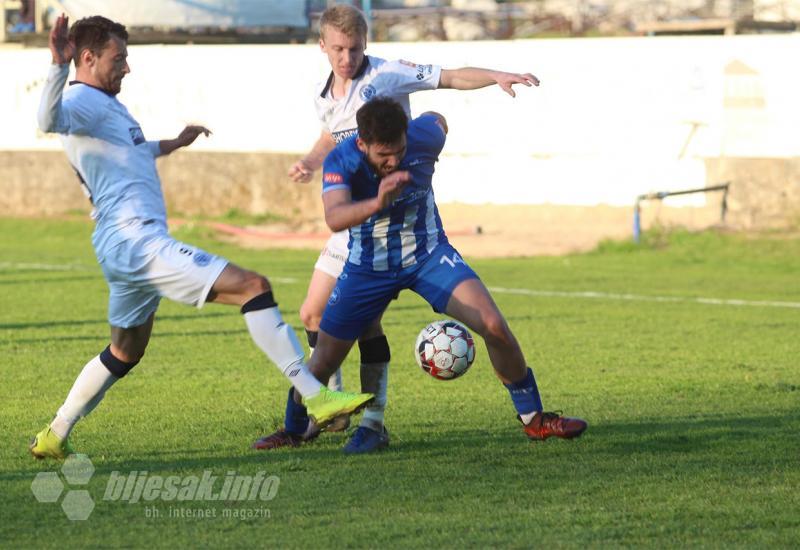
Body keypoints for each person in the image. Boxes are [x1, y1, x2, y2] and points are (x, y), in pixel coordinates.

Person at [29, 14, 374, 459]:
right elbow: (47, 118)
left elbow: (129, 152)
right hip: (138, 242)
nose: (127, 67)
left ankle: (55, 433)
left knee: (125, 350)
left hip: (121, 246)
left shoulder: (105, 105)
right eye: (120, 58)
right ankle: (318, 397)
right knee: (253, 287)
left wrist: (170, 144)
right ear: (88, 58)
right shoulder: (78, 100)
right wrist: (57, 65)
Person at [261, 3, 541, 454]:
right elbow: (333, 141)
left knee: (377, 327)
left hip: (412, 231)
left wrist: (496, 76)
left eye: (353, 49)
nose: (346, 58)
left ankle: (371, 422)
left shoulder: (387, 75)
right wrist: (311, 163)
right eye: (338, 49)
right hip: (359, 227)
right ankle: (320, 412)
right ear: (322, 47)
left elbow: (448, 79)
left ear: (365, 44)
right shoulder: (325, 97)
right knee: (312, 315)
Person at [258, 97, 588, 453]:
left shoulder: (423, 136)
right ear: (362, 143)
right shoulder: (342, 159)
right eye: (383, 154)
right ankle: (293, 429)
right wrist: (377, 202)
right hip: (369, 267)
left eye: (399, 150)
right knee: (323, 359)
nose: (394, 161)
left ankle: (535, 420)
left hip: (429, 255)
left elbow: (438, 119)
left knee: (493, 325)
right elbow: (335, 217)